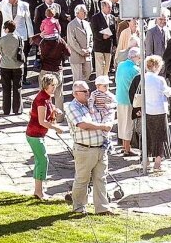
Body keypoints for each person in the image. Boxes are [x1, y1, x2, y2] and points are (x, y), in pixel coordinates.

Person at [65, 80, 117, 215]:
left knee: (101, 178)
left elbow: (108, 112)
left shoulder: (93, 103)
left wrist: (108, 121)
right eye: (85, 91)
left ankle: (102, 208)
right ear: (75, 94)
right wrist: (103, 127)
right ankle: (79, 208)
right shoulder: (72, 107)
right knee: (82, 179)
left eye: (88, 90)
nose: (88, 93)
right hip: (84, 149)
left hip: (101, 147)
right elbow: (83, 125)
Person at [26, 74, 64, 199]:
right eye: (52, 85)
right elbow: (42, 121)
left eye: (55, 85)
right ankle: (39, 191)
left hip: (38, 134)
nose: (54, 87)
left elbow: (48, 109)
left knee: (39, 161)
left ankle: (38, 190)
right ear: (46, 85)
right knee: (43, 160)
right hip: (35, 134)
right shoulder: (41, 99)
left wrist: (54, 110)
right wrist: (56, 128)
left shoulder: (47, 97)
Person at [142, 55, 171, 172]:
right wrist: (170, 90)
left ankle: (146, 160)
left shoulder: (143, 78)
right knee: (160, 137)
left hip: (147, 111)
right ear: (156, 66)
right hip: (159, 110)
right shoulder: (160, 80)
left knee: (148, 135)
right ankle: (157, 163)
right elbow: (168, 92)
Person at [115, 47, 141, 156]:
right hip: (128, 99)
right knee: (128, 124)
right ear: (136, 57)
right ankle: (127, 148)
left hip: (119, 97)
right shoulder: (136, 70)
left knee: (121, 123)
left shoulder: (121, 65)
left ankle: (124, 146)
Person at [0, 20, 25, 115]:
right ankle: (17, 109)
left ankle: (6, 109)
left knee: (6, 88)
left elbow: (0, 52)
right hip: (17, 65)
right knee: (17, 87)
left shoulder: (1, 39)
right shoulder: (19, 39)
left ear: (7, 29)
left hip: (5, 65)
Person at [67, 5, 94, 83]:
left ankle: (83, 92)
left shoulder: (86, 23)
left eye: (86, 11)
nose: (86, 13)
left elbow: (91, 37)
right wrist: (82, 51)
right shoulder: (71, 25)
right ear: (77, 13)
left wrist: (89, 49)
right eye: (83, 12)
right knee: (78, 79)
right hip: (76, 55)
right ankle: (77, 94)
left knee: (88, 72)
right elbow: (72, 41)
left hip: (87, 54)